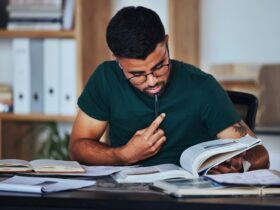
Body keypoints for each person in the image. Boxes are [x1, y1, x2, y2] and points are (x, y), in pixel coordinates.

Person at [69, 6, 269, 174]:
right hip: (127, 196)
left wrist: (240, 165)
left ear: (166, 42)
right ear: (116, 59)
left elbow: (259, 154)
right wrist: (123, 155)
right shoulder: (106, 78)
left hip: (189, 198)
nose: (152, 81)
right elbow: (77, 148)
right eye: (137, 74)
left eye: (159, 66)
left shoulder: (201, 85)